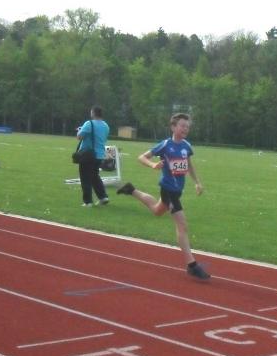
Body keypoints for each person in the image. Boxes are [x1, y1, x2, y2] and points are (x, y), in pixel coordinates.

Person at [116, 113, 210, 280]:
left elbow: (189, 165)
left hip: (177, 190)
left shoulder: (187, 146)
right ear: (173, 127)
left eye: (187, 126)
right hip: (168, 189)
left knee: (157, 210)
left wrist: (197, 182)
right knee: (182, 225)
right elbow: (142, 157)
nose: (185, 129)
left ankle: (131, 190)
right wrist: (153, 164)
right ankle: (192, 265)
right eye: (182, 126)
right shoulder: (165, 145)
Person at [75, 106, 110, 207]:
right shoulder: (106, 126)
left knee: (85, 178)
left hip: (88, 155)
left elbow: (79, 137)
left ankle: (88, 202)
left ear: (93, 113)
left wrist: (79, 130)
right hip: (99, 155)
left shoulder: (89, 123)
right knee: (95, 176)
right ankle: (103, 197)